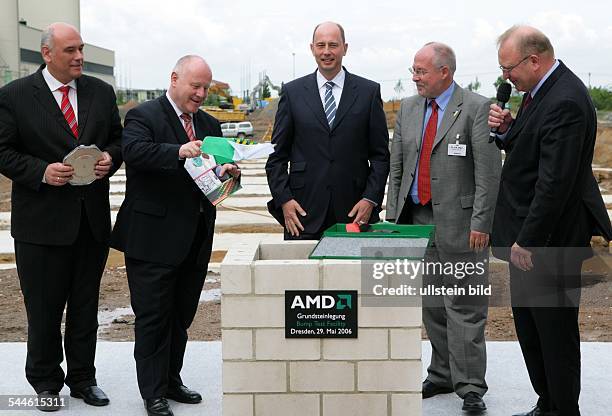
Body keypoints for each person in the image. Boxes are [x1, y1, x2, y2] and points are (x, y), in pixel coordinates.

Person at [488, 25, 612, 416]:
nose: (506, 77)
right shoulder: (540, 92)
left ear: (534, 60)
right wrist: (509, 131)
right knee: (531, 328)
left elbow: (554, 182)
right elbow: (533, 152)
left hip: (549, 240)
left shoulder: (566, 100)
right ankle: (548, 403)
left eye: (509, 68)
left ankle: (562, 408)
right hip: (531, 237)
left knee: (554, 333)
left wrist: (528, 241)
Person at [0, 22, 121, 411]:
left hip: (91, 223)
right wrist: (41, 172)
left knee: (86, 307)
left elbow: (118, 140)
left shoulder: (101, 93)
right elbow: (2, 150)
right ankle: (45, 382)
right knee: (44, 310)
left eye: (81, 49)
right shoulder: (15, 96)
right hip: (41, 226)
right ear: (47, 54)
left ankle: (84, 379)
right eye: (70, 50)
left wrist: (110, 159)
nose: (79, 57)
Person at [110, 55, 240, 416]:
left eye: (205, 88)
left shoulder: (210, 123)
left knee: (181, 316)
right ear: (174, 79)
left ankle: (171, 379)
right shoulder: (143, 115)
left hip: (195, 239)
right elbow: (135, 153)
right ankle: (152, 393)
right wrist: (178, 150)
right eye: (195, 86)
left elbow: (214, 181)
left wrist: (229, 172)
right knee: (152, 317)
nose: (200, 94)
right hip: (152, 239)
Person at [386, 42, 501, 413]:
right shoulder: (408, 107)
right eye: (413, 71)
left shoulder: (477, 108)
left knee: (465, 307)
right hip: (418, 223)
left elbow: (488, 173)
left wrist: (482, 222)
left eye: (420, 72)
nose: (414, 78)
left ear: (445, 73)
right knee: (432, 304)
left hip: (463, 226)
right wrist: (393, 220)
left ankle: (470, 386)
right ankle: (441, 373)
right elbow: (397, 165)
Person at [265, 21, 389, 239]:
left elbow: (380, 156)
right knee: (302, 274)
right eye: (321, 45)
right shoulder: (293, 93)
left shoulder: (368, 92)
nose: (327, 52)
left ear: (345, 48)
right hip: (302, 213)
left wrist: (370, 199)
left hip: (354, 212)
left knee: (353, 274)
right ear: (312, 48)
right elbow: (276, 156)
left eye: (333, 45)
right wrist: (283, 200)